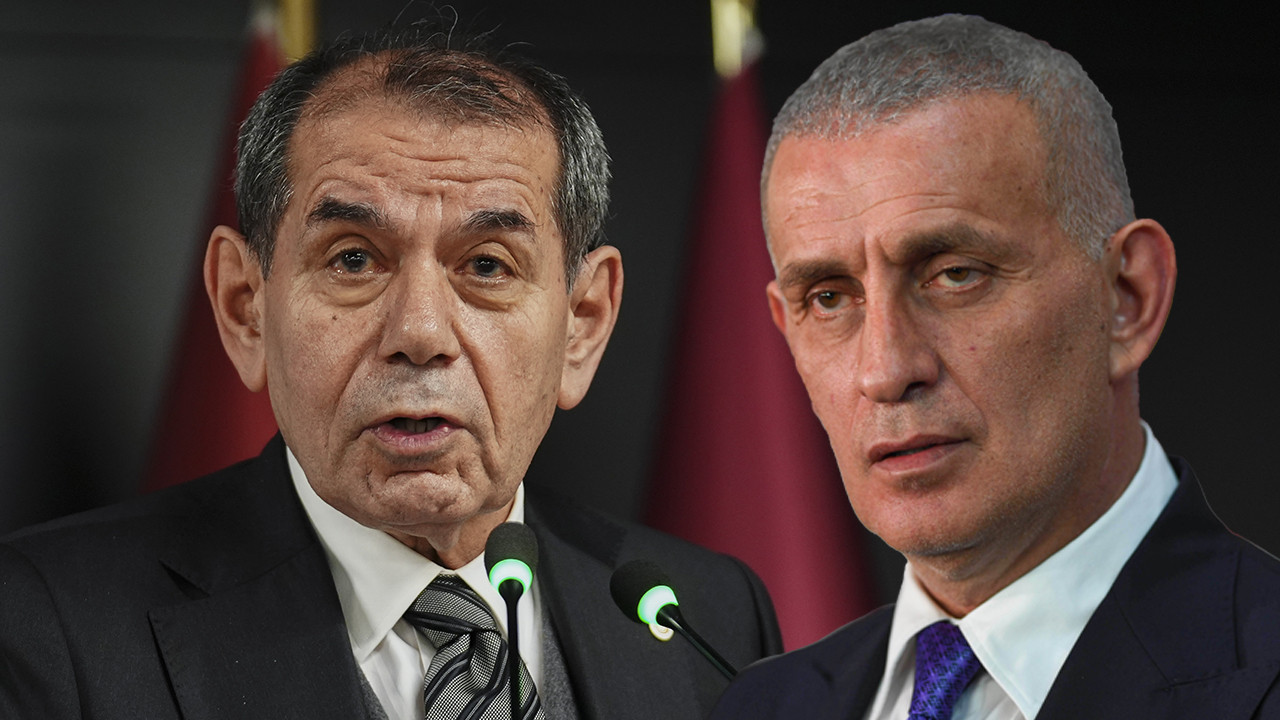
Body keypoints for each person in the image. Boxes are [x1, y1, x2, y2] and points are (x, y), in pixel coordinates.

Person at [0, 23, 781, 720]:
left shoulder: (711, 617)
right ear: (245, 309)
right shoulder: (46, 626)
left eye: (487, 264)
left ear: (582, 324)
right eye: (353, 260)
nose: (420, 334)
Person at [712, 14, 1280, 720]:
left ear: (1126, 298)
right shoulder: (760, 707)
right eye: (828, 298)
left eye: (956, 274)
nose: (884, 371)